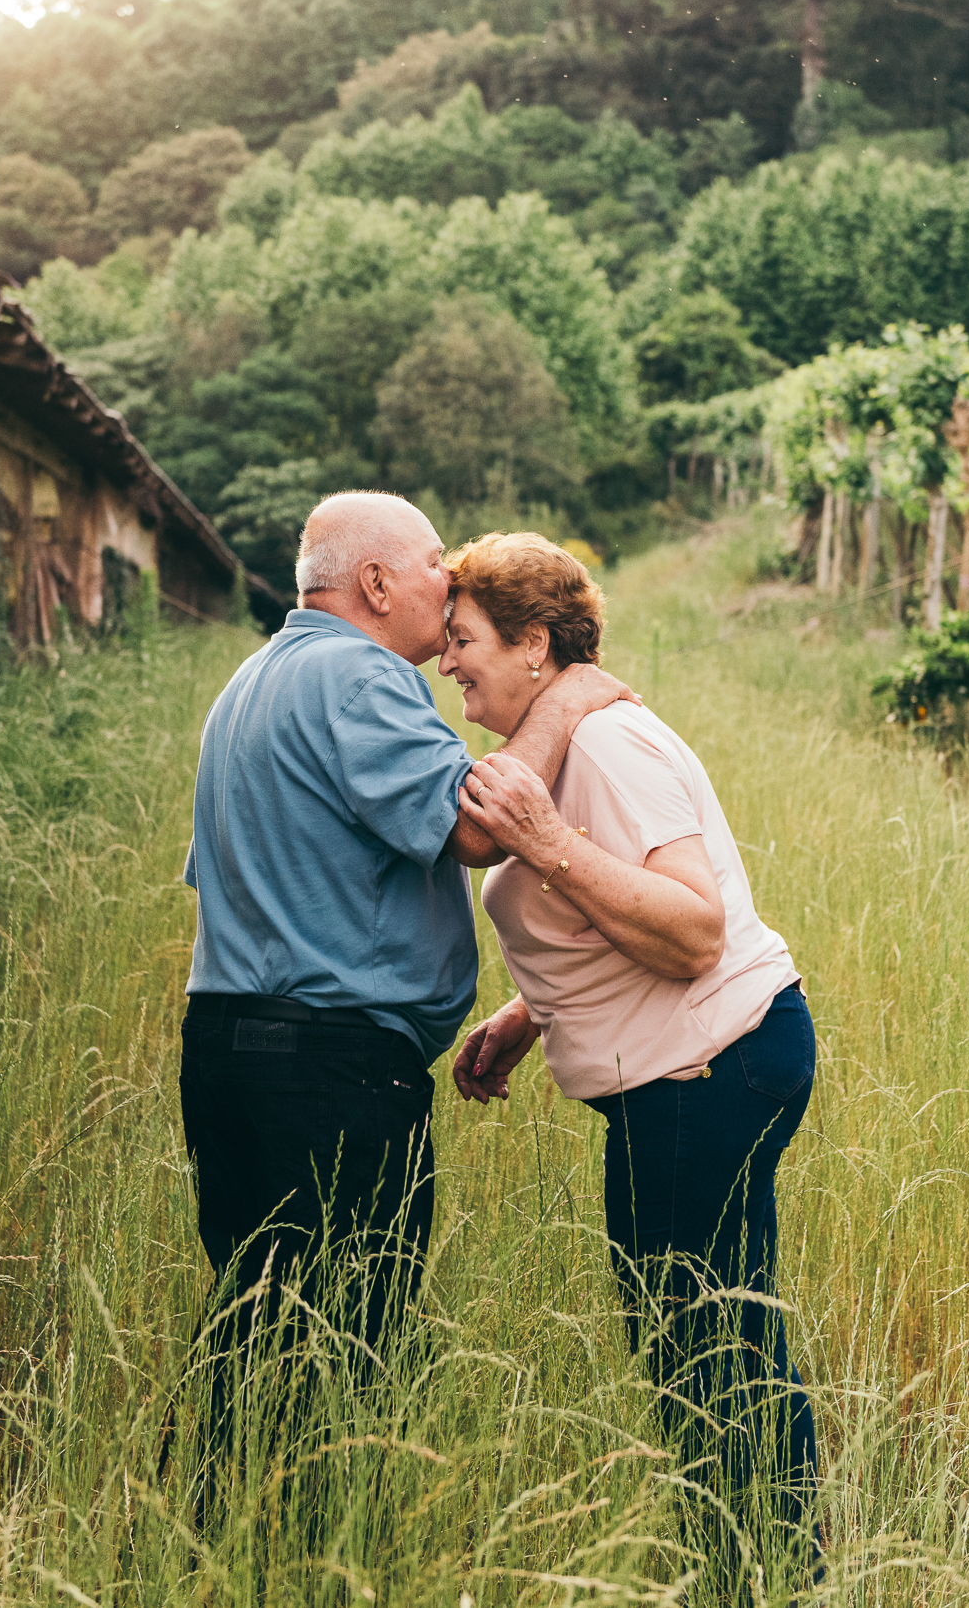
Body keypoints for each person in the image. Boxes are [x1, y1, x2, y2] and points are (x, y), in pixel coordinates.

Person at [177, 493, 637, 1490]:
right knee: (342, 1347)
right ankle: (308, 1558)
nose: (451, 578)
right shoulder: (358, 676)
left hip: (225, 1049)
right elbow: (479, 827)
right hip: (326, 1069)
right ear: (377, 583)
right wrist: (566, 691)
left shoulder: (251, 684)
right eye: (435, 563)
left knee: (256, 1328)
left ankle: (219, 1550)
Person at [439, 531, 819, 1592]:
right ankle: (747, 1557)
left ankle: (768, 1565)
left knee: (708, 1341)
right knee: (698, 1329)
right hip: (690, 1071)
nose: (447, 660)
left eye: (463, 639)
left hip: (713, 1065)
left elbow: (694, 928)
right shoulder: (565, 745)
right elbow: (607, 914)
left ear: (533, 644)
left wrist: (549, 842)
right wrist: (530, 1011)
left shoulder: (609, 748)